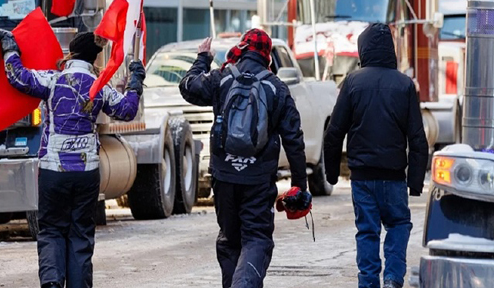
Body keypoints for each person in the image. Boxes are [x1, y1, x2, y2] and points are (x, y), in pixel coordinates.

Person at [0, 30, 145, 288]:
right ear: (93, 59)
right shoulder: (100, 89)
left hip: (53, 171)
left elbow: (18, 77)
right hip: (87, 174)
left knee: (51, 230)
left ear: (71, 54)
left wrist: (9, 47)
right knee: (81, 235)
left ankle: (51, 283)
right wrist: (135, 80)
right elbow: (127, 110)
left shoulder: (53, 81)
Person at [179, 29, 311, 288]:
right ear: (267, 55)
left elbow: (188, 87)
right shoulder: (277, 88)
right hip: (258, 180)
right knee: (257, 239)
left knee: (230, 241)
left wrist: (202, 58)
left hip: (224, 177)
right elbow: (294, 140)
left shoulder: (223, 78)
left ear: (242, 48)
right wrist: (300, 187)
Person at [323, 23, 428, 288]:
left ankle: (368, 283)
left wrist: (332, 174)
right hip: (393, 177)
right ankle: (393, 278)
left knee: (367, 231)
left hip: (362, 177)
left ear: (363, 50)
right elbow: (417, 138)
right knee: (399, 224)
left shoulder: (353, 83)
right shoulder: (405, 85)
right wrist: (414, 182)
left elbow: (334, 132)